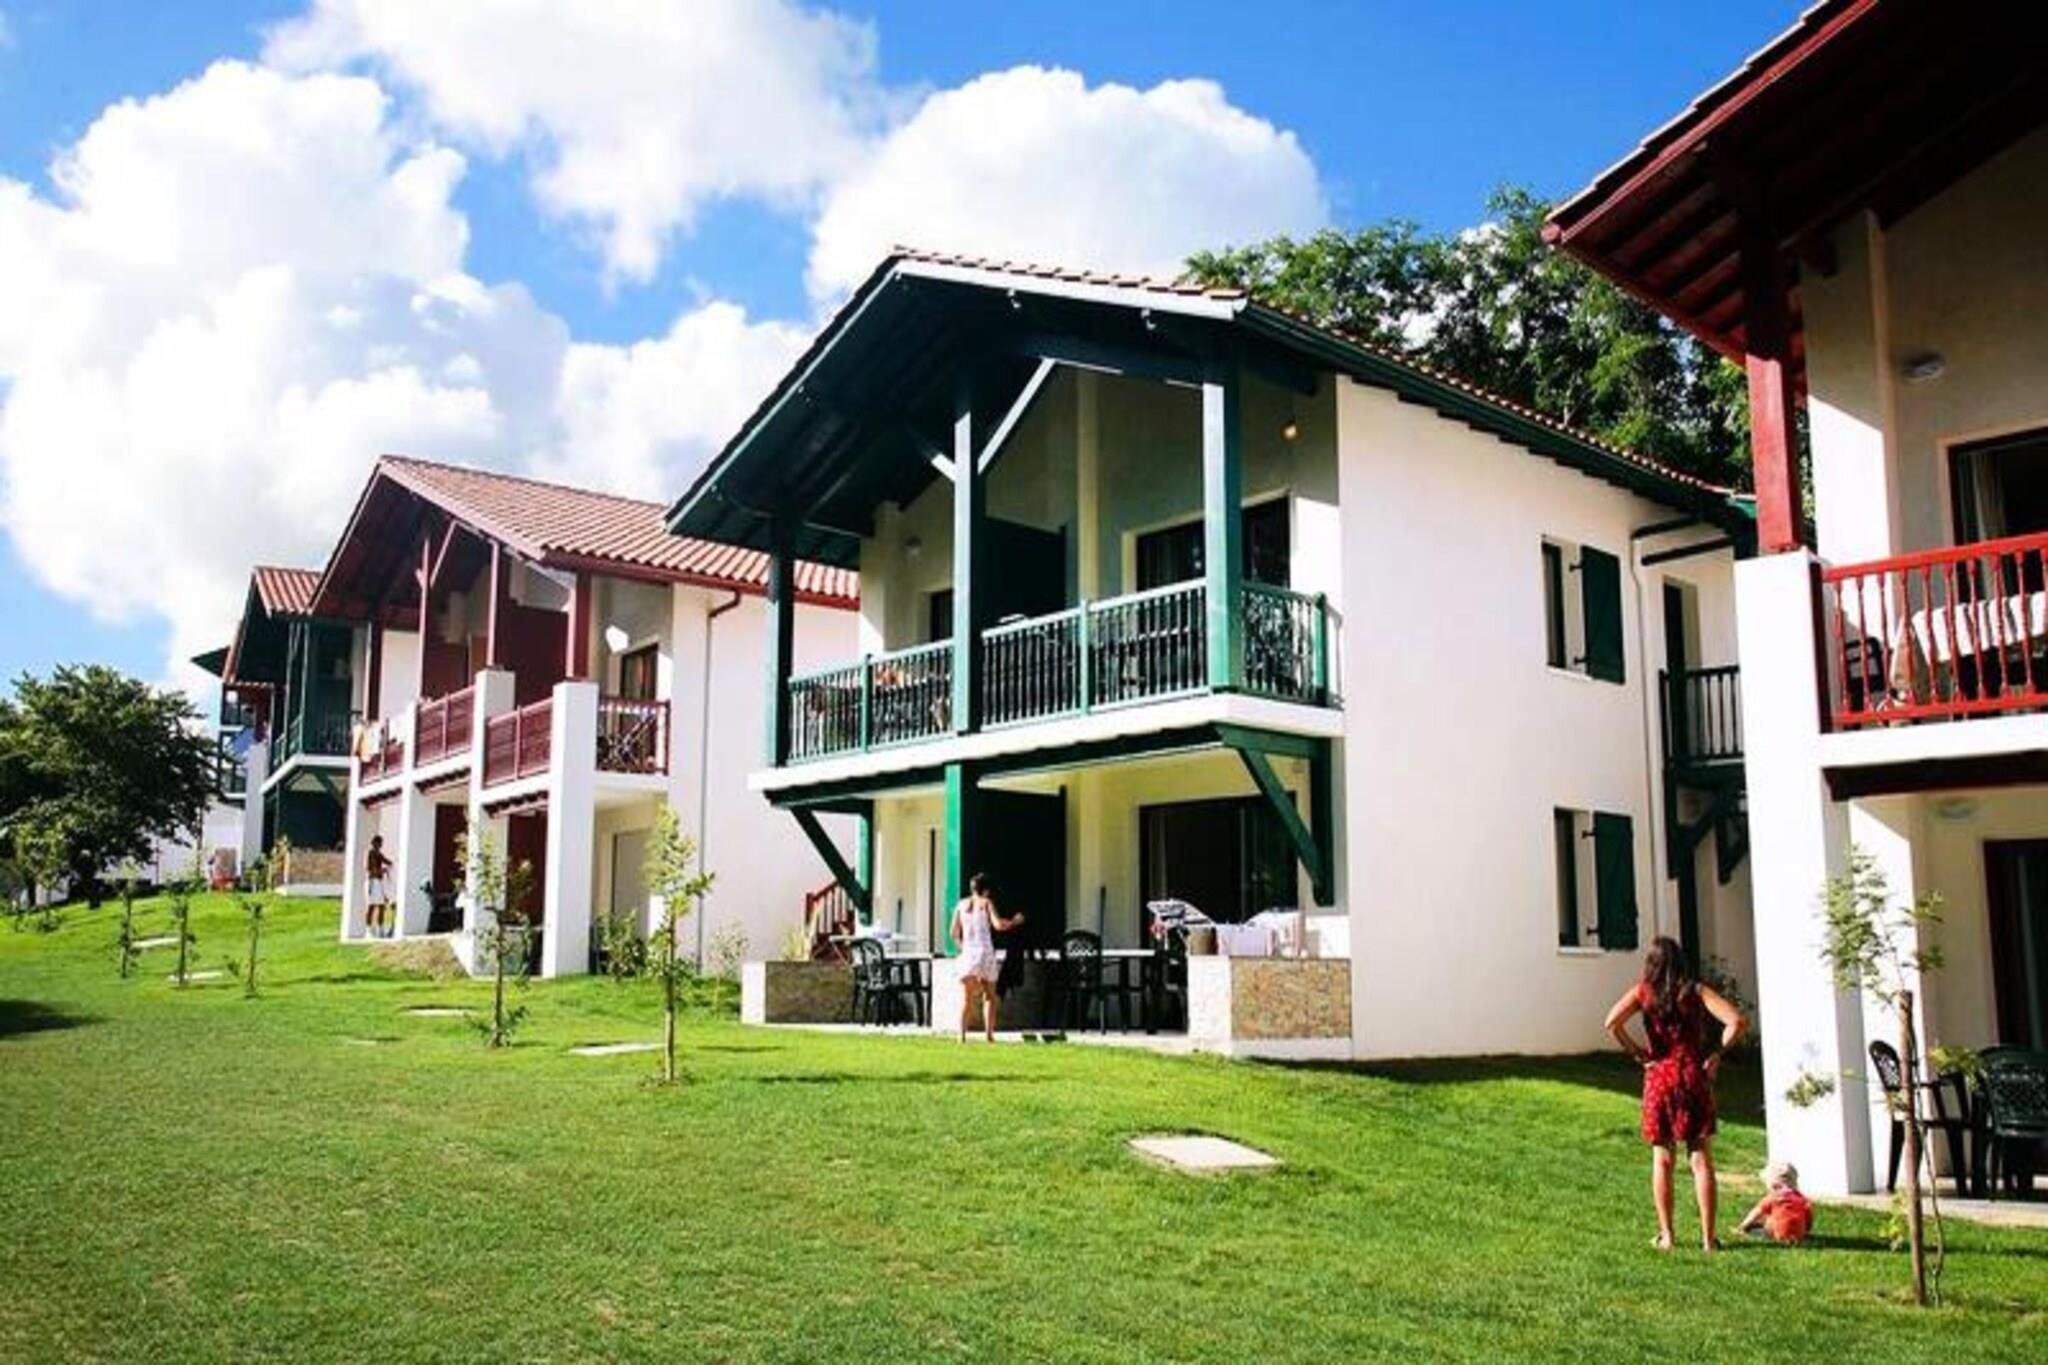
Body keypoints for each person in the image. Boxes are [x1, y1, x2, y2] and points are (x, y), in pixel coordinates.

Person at [1604, 936, 1746, 1251]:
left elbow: (1611, 1022)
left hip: (1659, 1078)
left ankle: (1668, 1236)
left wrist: (1638, 1053)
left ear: (1651, 964)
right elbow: (1736, 1021)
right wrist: (1716, 1053)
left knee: (1663, 1159)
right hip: (1692, 1075)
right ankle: (1708, 1239)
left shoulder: (1643, 992)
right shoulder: (1695, 991)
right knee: (1700, 1159)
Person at [950, 873, 1024, 1043]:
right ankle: (989, 1036)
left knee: (966, 998)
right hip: (985, 952)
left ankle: (961, 1036)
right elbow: (998, 925)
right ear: (986, 890)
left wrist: (963, 948)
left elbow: (953, 933)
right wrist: (1014, 921)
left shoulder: (961, 905)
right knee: (989, 995)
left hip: (968, 953)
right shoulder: (986, 903)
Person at [1738, 1160, 1814, 1244]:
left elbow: (1755, 1213)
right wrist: (1805, 1230)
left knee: (1753, 1229)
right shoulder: (1801, 1198)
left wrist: (1743, 1226)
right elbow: (1809, 1215)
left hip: (1777, 1235)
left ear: (1772, 1184)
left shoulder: (1773, 1197)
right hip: (1798, 1236)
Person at [365, 834, 393, 939]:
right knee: (371, 906)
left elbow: (387, 861)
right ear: (375, 843)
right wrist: (383, 870)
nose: (381, 845)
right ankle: (368, 931)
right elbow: (372, 869)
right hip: (373, 882)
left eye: (381, 843)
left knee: (382, 906)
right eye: (379, 843)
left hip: (379, 882)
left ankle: (381, 930)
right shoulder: (371, 853)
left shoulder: (379, 854)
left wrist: (391, 863)